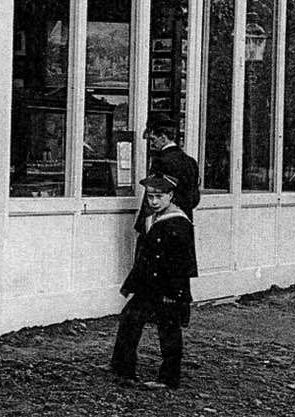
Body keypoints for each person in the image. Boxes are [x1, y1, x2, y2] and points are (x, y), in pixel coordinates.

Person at [109, 173, 199, 390]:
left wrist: (175, 294)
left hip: (168, 287)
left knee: (169, 331)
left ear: (170, 196)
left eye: (159, 196)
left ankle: (169, 378)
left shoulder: (179, 223)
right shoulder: (153, 219)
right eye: (150, 197)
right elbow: (145, 258)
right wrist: (133, 284)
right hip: (148, 285)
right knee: (129, 320)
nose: (153, 201)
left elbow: (184, 263)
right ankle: (122, 367)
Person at [133, 114, 200, 234]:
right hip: (184, 225)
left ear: (163, 138)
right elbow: (195, 199)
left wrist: (142, 228)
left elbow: (152, 199)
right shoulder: (191, 162)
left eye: (153, 139)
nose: (152, 144)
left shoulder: (160, 162)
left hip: (162, 226)